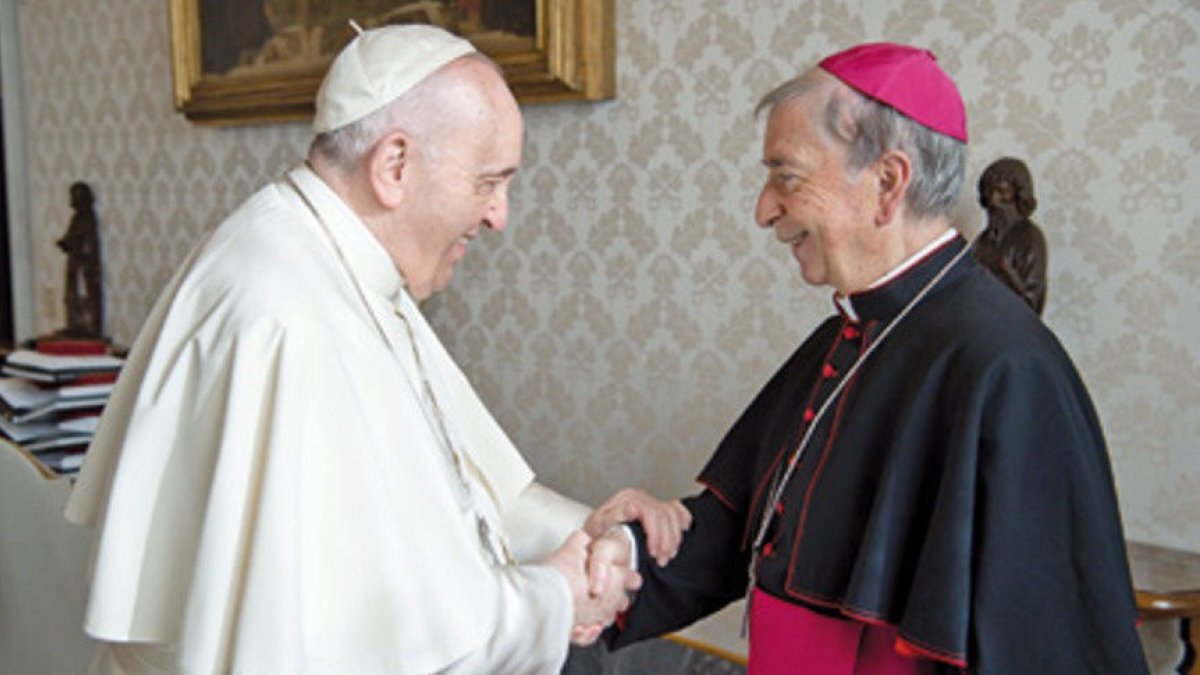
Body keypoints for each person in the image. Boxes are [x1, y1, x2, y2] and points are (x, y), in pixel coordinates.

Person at [65, 24, 687, 675]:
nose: (500, 214)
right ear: (394, 165)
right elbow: (382, 642)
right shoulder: (290, 315)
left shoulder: (334, 260)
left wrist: (590, 535)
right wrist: (560, 592)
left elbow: (461, 488)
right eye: (488, 182)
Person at [605, 43, 1147, 674]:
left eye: (787, 176)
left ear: (888, 182)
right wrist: (625, 553)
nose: (764, 209)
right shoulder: (849, 333)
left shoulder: (1007, 368)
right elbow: (749, 530)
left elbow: (1036, 648)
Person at [971, 156, 1048, 315]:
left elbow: (1032, 305)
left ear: (1019, 195)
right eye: (989, 192)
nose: (994, 201)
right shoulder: (982, 242)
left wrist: (1007, 273)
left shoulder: (1030, 239)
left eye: (1002, 192)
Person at [57, 181, 103, 338]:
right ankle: (74, 325)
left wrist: (73, 244)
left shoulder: (88, 218)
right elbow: (72, 236)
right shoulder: (77, 218)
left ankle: (87, 326)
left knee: (84, 294)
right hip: (75, 262)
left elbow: (87, 242)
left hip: (84, 264)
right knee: (72, 295)